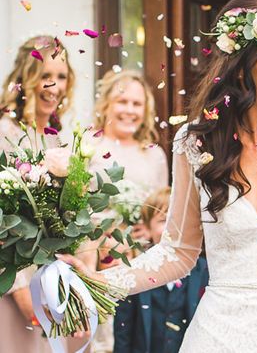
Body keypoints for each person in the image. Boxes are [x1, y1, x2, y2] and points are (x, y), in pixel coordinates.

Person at [63, 0, 257, 352]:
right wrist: (101, 282)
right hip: (218, 336)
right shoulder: (196, 143)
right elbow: (179, 251)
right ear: (242, 67)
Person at [84, 69, 169, 353]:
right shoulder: (90, 147)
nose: (129, 110)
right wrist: (101, 238)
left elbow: (162, 207)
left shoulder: (154, 153)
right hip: (94, 255)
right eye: (123, 102)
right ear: (107, 103)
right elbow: (74, 206)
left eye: (137, 104)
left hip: (138, 259)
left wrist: (150, 229)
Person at [0, 35, 76, 353]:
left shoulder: (59, 140)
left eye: (60, 77)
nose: (53, 87)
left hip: (51, 285)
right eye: (45, 76)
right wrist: (19, 288)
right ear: (27, 79)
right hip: (10, 286)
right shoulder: (6, 134)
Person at [113, 187, 208, 353]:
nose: (174, 227)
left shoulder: (206, 271)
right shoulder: (135, 272)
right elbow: (123, 332)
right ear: (147, 229)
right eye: (164, 219)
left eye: (181, 219)